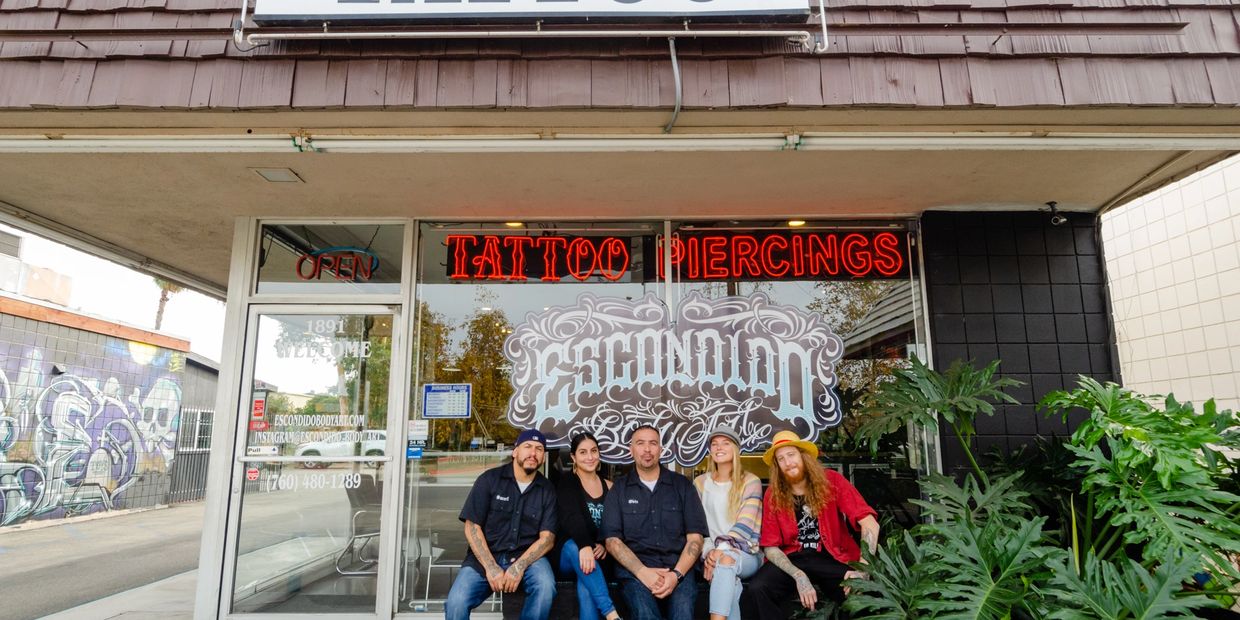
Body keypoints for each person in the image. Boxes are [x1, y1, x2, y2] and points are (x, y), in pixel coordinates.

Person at [739, 430, 881, 620]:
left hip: (831, 557)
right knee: (758, 589)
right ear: (777, 466)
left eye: (791, 455)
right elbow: (771, 547)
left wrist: (863, 571)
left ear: (803, 456)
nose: (788, 463)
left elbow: (870, 525)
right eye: (781, 459)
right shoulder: (773, 493)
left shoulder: (832, 480)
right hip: (793, 559)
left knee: (860, 595)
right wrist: (798, 576)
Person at [445, 429, 558, 620]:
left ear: (543, 458)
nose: (533, 453)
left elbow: (547, 539)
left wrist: (518, 567)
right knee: (456, 601)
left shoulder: (547, 490)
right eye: (528, 447)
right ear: (515, 451)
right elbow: (472, 526)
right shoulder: (489, 480)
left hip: (527, 558)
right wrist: (491, 567)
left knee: (546, 587)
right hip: (486, 557)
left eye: (539, 449)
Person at [601, 424, 709, 620]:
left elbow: (696, 538)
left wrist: (675, 575)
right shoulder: (619, 490)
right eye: (640, 443)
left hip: (678, 570)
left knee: (683, 614)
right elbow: (612, 542)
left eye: (653, 443)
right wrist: (644, 573)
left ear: (661, 449)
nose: (647, 449)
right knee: (645, 615)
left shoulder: (682, 486)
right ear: (631, 449)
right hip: (635, 573)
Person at [693, 426, 764, 620]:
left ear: (736, 449)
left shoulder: (751, 481)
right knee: (727, 570)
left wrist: (719, 552)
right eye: (714, 444)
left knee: (726, 560)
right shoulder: (700, 483)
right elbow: (698, 526)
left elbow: (745, 524)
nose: (719, 447)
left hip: (747, 554)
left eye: (725, 443)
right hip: (710, 556)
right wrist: (709, 553)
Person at [556, 432, 622, 620]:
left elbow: (615, 525)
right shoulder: (567, 483)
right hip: (568, 554)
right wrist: (584, 545)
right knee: (574, 548)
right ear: (573, 457)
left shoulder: (610, 487)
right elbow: (571, 518)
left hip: (597, 555)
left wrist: (604, 543)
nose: (590, 457)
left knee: (586, 582)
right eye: (583, 452)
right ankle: (611, 614)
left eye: (594, 451)